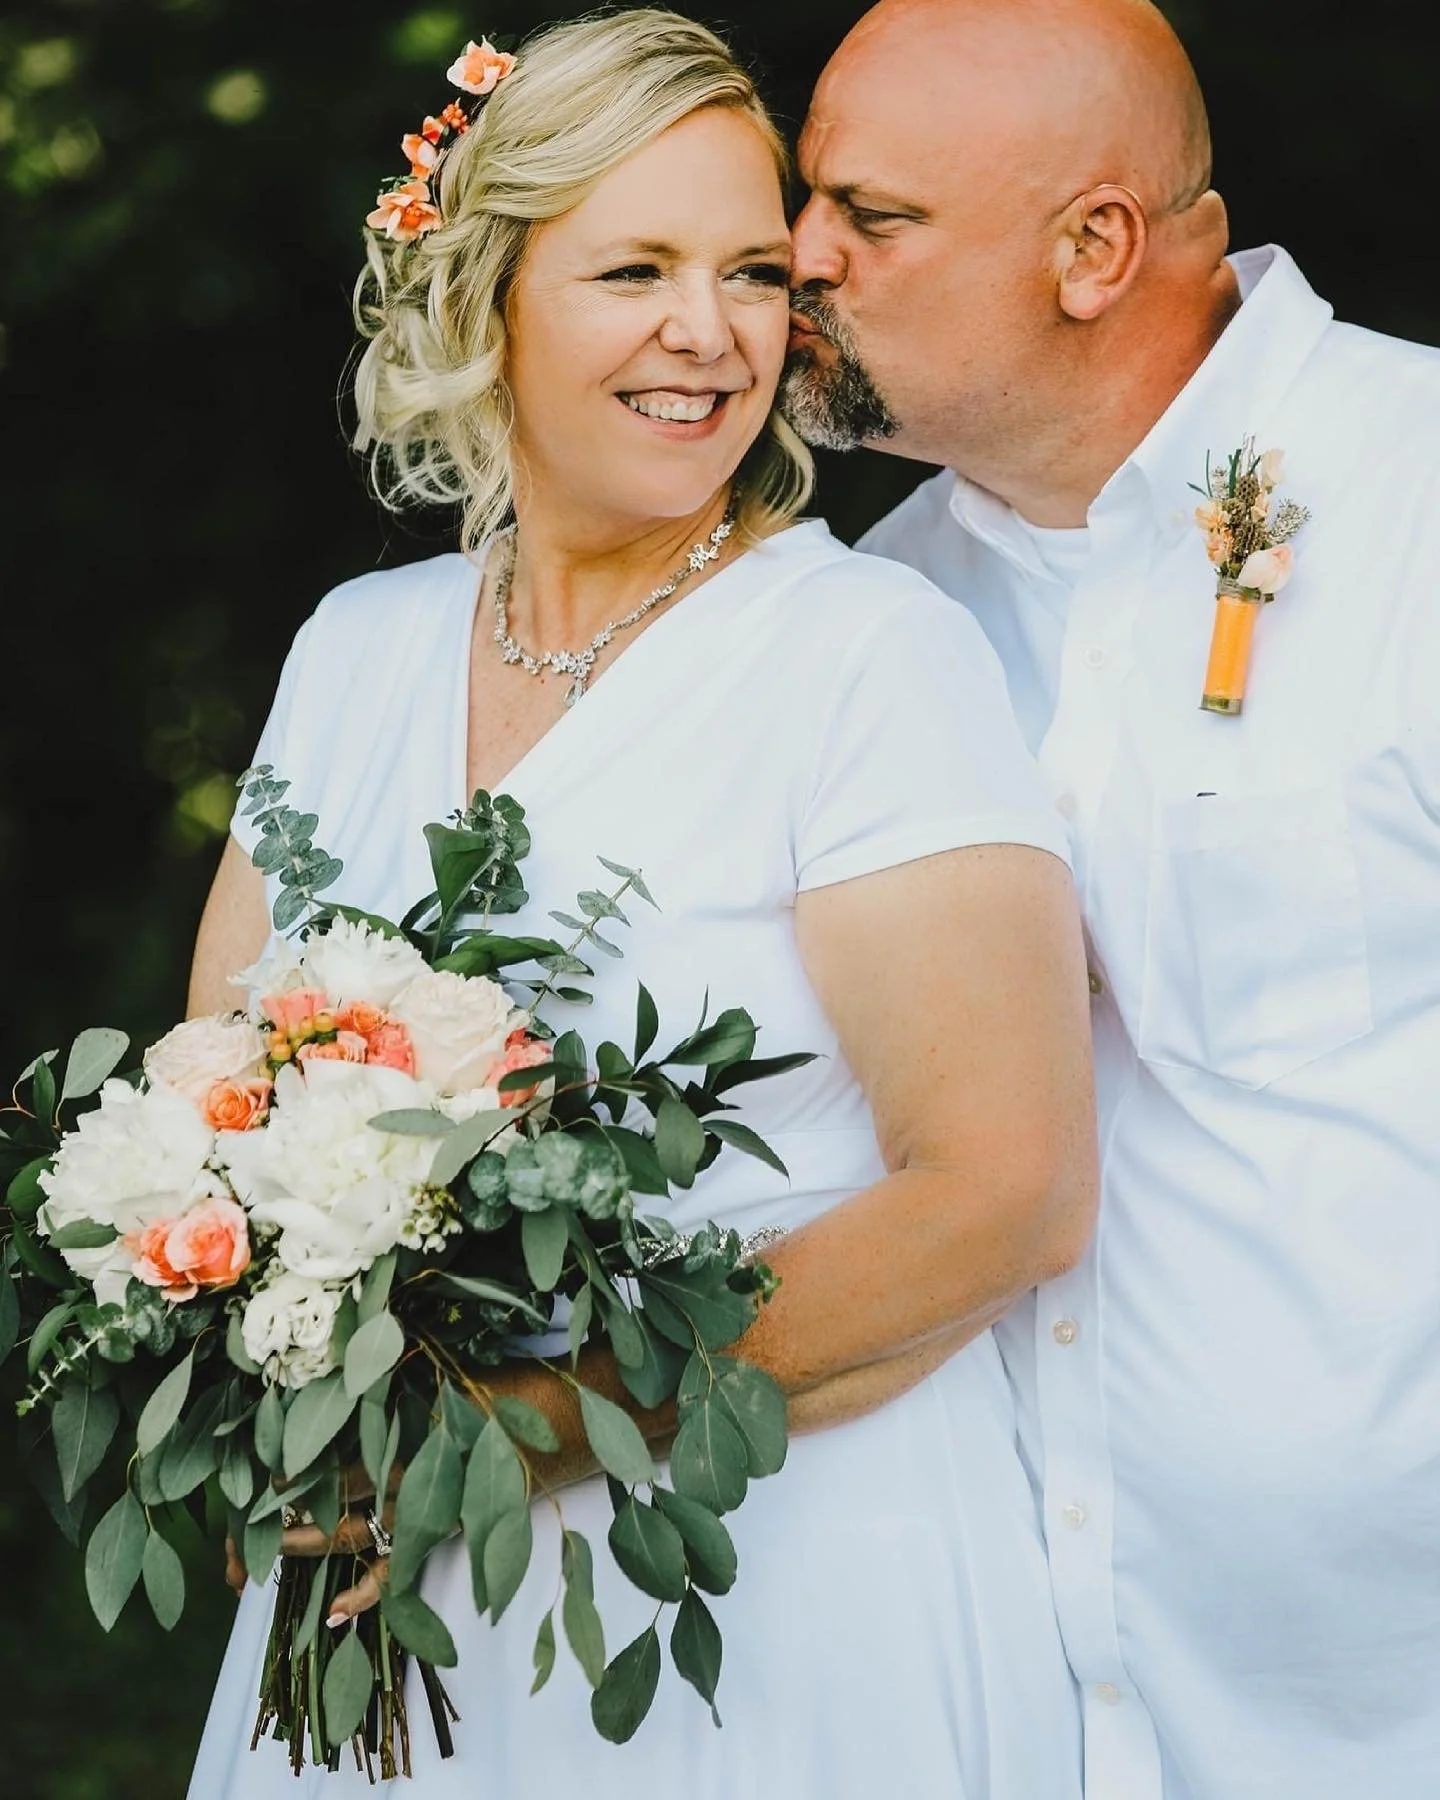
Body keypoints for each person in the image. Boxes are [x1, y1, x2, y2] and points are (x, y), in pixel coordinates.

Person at [185, 12, 1096, 1796]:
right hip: (377, 1586)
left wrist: (505, 1429)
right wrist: (249, 1393)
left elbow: (1006, 1193)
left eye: (754, 269)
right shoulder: (353, 652)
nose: (713, 330)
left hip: (773, 1593)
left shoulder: (864, 658)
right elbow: (206, 1098)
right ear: (486, 295)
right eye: (637, 268)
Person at [784, 1, 1440, 1797]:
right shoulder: (864, 623)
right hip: (989, 1703)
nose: (795, 261)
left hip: (1379, 1707)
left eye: (870, 215)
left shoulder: (1421, 501)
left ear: (1095, 249)